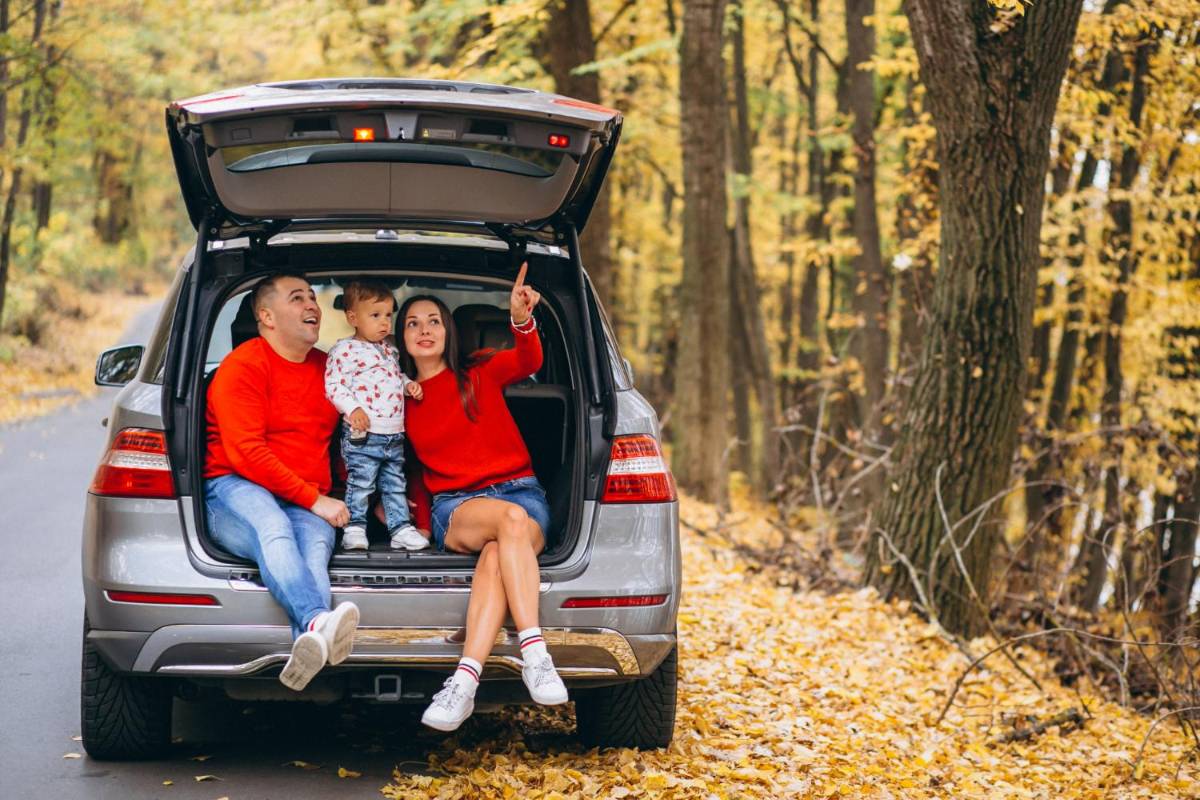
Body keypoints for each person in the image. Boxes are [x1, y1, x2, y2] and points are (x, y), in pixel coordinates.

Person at [399, 263, 567, 732]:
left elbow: (528, 360)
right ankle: (535, 652)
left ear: (448, 330)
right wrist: (408, 522)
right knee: (506, 524)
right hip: (457, 506)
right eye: (412, 323)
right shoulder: (399, 398)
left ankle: (464, 682)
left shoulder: (479, 369)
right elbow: (396, 467)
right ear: (402, 338)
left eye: (433, 320)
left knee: (500, 546)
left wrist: (520, 319)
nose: (424, 330)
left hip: (521, 494)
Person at [204, 272, 360, 692]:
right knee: (273, 528)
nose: (312, 305)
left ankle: (306, 649)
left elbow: (348, 442)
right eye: (298, 298)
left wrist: (365, 497)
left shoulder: (329, 370)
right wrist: (316, 500)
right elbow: (246, 453)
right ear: (267, 316)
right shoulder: (243, 367)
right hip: (234, 485)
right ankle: (314, 618)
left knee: (312, 555)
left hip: (307, 495)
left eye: (312, 297)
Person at [324, 279, 428, 552]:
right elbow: (334, 385)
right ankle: (355, 528)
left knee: (395, 483)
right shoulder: (344, 350)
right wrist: (353, 409)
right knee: (361, 483)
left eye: (388, 315)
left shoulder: (388, 349)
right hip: (364, 434)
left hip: (393, 434)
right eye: (375, 315)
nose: (385, 323)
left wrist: (408, 385)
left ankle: (400, 529)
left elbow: (393, 376)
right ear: (352, 318)